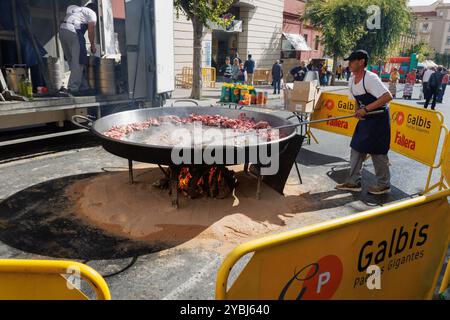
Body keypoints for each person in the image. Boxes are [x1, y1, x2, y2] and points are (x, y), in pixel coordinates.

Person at [335, 50, 393, 195]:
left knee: (378, 153)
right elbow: (356, 98)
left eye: (352, 61)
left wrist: (365, 109)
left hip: (379, 119)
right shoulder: (351, 80)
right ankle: (353, 182)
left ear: (361, 62)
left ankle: (384, 185)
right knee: (356, 148)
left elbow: (387, 96)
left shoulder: (370, 78)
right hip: (366, 120)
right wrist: (357, 110)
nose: (349, 64)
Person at [59, 2, 98, 95]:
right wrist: (92, 45)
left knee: (72, 61)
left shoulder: (77, 10)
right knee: (80, 61)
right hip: (73, 31)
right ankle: (73, 89)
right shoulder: (92, 13)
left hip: (62, 31)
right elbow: (91, 31)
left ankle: (82, 86)